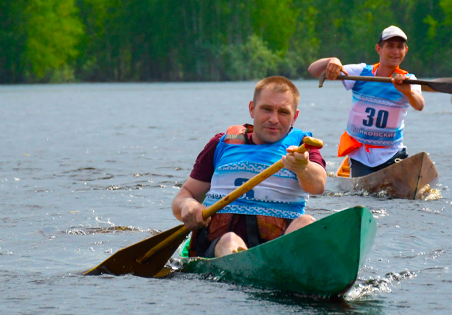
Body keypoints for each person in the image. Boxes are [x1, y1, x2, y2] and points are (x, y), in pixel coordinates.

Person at [171, 76, 327, 258]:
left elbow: (318, 186)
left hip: (280, 249)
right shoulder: (220, 144)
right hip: (220, 245)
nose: (274, 119)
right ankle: (243, 269)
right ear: (252, 109)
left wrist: (302, 167)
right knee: (230, 240)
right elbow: (184, 195)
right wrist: (188, 205)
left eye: (283, 112)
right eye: (266, 109)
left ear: (295, 116)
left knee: (307, 223)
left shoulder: (302, 147)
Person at [307, 25, 424, 178]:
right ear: (379, 49)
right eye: (390, 46)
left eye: (400, 47)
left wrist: (407, 92)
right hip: (361, 156)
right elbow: (313, 70)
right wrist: (332, 61)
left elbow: (419, 105)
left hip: (391, 153)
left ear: (405, 51)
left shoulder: (409, 80)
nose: (395, 52)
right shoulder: (360, 72)